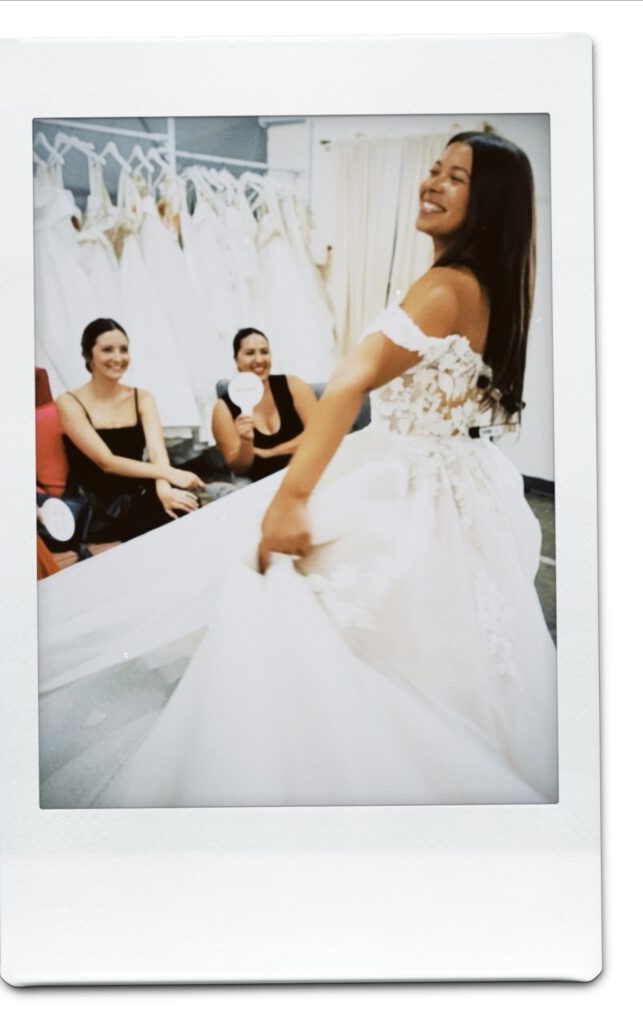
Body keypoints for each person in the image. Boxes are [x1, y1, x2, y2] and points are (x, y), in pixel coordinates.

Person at [40, 133, 557, 810]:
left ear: (486, 200)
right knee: (434, 658)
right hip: (458, 484)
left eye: (455, 177)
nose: (432, 182)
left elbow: (347, 382)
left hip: (404, 481)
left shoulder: (443, 286)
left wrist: (292, 496)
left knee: (303, 617)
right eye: (433, 168)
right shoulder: (490, 287)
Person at [56, 318, 203, 544]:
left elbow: (157, 451)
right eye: (107, 350)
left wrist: (164, 489)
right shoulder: (69, 402)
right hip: (97, 500)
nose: (118, 358)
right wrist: (171, 474)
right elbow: (107, 462)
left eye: (124, 349)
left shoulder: (142, 397)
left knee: (184, 507)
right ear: (88, 355)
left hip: (137, 487)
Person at [212, 327, 318, 481]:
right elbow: (240, 469)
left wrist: (271, 452)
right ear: (236, 360)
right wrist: (245, 442)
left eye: (264, 352)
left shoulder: (294, 385)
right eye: (250, 353)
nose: (259, 360)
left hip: (310, 470)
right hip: (267, 484)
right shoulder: (223, 408)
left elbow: (320, 434)